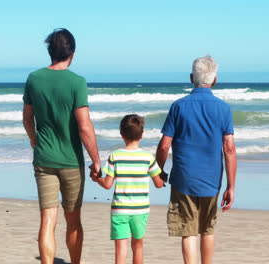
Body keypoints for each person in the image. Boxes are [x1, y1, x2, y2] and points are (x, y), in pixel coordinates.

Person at [22, 28, 102, 264]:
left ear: (50, 52)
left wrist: (34, 140)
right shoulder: (77, 82)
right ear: (72, 54)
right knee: (73, 220)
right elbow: (84, 126)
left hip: (44, 159)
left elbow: (27, 118)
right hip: (70, 162)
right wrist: (96, 160)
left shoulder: (34, 78)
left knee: (47, 219)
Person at [156, 55, 237, 264]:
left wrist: (159, 170)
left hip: (184, 178)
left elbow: (165, 144)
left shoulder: (179, 106)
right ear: (215, 80)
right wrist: (231, 186)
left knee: (188, 230)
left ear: (192, 77)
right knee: (207, 229)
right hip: (211, 179)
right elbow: (229, 149)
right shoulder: (223, 108)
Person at [93, 114, 164, 264]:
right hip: (140, 210)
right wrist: (162, 179)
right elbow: (158, 183)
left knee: (121, 248)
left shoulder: (115, 156)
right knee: (138, 246)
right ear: (142, 134)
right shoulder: (148, 157)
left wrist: (96, 178)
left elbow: (107, 184)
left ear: (121, 134)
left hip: (120, 210)